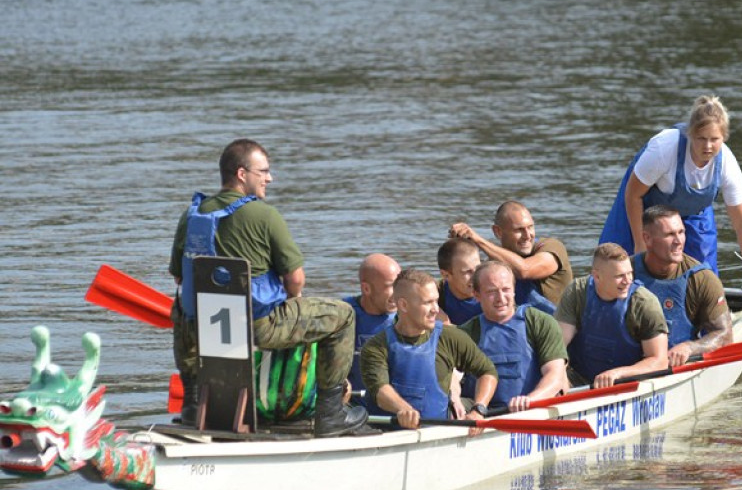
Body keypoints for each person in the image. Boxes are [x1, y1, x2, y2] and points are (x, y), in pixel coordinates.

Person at [169, 139, 367, 436]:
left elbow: (179, 278)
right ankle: (331, 414)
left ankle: (193, 405)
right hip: (257, 326)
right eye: (263, 171)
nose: (269, 178)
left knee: (180, 304)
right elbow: (296, 279)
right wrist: (290, 302)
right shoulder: (264, 215)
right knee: (344, 316)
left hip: (201, 332)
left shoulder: (192, 215)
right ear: (241, 174)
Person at [598, 95, 742, 302]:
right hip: (644, 201)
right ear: (690, 134)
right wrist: (640, 246)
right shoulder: (664, 149)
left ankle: (701, 323)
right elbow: (633, 195)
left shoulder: (727, 164)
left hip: (693, 211)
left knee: (703, 276)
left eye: (715, 139)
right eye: (701, 138)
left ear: (724, 137)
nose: (708, 146)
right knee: (618, 265)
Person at [360, 269, 498, 430]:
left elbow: (488, 372)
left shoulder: (450, 337)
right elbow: (380, 390)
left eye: (436, 301)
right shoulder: (376, 346)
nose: (435, 309)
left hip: (437, 431)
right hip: (388, 433)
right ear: (403, 305)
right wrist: (403, 409)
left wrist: (478, 409)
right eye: (427, 302)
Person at [459, 261, 569, 413]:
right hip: (480, 412)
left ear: (514, 291)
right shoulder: (466, 333)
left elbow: (555, 376)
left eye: (506, 290)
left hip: (530, 408)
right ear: (476, 295)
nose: (501, 298)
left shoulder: (540, 322)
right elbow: (449, 378)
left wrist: (531, 399)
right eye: (492, 292)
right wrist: (455, 402)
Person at [555, 243, 668, 388]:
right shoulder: (577, 292)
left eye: (629, 273)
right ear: (597, 276)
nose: (628, 281)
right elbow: (557, 347)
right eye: (620, 276)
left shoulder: (645, 303)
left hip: (626, 382)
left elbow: (660, 361)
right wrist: (559, 376)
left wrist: (618, 373)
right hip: (579, 380)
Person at [635, 206, 733, 366]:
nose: (679, 241)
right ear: (647, 239)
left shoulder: (703, 279)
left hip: (675, 367)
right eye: (669, 234)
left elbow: (724, 335)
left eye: (681, 232)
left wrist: (690, 347)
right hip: (629, 367)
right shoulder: (625, 273)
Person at [449, 200, 573, 313]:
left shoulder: (552, 247)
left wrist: (477, 239)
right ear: (498, 232)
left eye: (530, 227)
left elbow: (524, 270)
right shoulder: (492, 265)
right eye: (519, 230)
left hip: (558, 328)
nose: (527, 235)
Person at [343, 253, 401, 394]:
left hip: (396, 403)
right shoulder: (343, 314)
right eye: (390, 286)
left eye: (400, 285)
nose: (398, 293)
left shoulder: (410, 313)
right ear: (366, 289)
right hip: (355, 402)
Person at [436, 238, 482, 325]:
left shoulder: (494, 293)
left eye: (478, 268)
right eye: (467, 272)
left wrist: (448, 328)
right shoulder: (436, 295)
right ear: (446, 275)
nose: (476, 276)